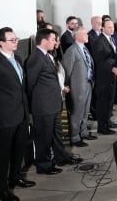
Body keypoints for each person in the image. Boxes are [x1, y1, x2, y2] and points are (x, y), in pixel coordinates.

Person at [0, 27, 35, 201]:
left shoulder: (18, 59)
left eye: (16, 38)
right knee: (4, 153)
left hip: (21, 114)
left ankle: (15, 178)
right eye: (12, 40)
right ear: (1, 43)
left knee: (19, 148)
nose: (16, 42)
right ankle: (2, 189)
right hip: (5, 116)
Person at [26, 28, 81, 175]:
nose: (56, 42)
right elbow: (30, 84)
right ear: (44, 41)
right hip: (43, 106)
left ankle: (61, 157)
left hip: (54, 103)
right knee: (44, 136)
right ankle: (43, 165)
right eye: (53, 40)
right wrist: (36, 104)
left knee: (57, 133)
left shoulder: (48, 55)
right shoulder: (35, 58)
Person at [62, 26, 98, 147]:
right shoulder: (72, 51)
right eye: (85, 34)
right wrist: (66, 85)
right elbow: (66, 70)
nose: (87, 36)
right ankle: (75, 137)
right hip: (77, 86)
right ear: (77, 36)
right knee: (76, 112)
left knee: (85, 110)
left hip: (87, 83)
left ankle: (83, 132)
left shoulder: (84, 48)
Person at [91, 18, 117, 134]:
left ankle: (107, 121)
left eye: (112, 27)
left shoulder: (112, 39)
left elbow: (114, 54)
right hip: (103, 77)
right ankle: (102, 127)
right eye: (109, 27)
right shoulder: (98, 42)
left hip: (112, 75)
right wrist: (111, 68)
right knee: (103, 102)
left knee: (110, 100)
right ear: (102, 28)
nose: (112, 29)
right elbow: (99, 61)